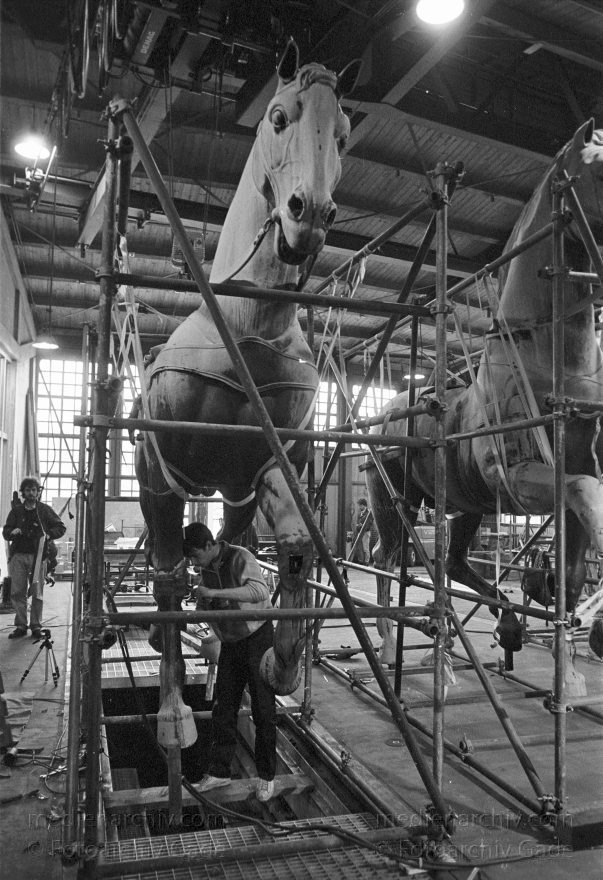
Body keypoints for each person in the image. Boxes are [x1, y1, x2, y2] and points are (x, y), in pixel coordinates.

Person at [182, 522, 277, 802]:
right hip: (231, 642)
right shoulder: (205, 568)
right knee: (223, 707)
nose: (194, 562)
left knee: (263, 708)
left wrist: (213, 594)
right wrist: (193, 613)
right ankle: (220, 771)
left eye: (196, 556)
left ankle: (266, 776)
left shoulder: (240, 557)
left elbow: (259, 592)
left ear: (210, 545)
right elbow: (205, 606)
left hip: (257, 636)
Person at [2, 476, 66, 640]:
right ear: (23, 493)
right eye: (28, 490)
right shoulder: (16, 511)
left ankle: (36, 625)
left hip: (39, 556)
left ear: (38, 492)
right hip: (19, 557)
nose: (31, 493)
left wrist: (49, 534)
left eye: (34, 490)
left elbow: (60, 527)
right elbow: (6, 532)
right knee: (17, 592)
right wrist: (12, 532)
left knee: (37, 592)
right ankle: (21, 625)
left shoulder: (44, 510)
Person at [352, 498, 371, 564]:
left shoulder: (369, 513)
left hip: (365, 533)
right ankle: (361, 561)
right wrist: (358, 526)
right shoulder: (359, 514)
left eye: (360, 505)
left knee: (366, 548)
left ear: (364, 505)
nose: (359, 507)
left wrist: (361, 526)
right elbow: (358, 523)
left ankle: (366, 562)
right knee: (360, 548)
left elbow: (369, 524)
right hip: (360, 532)